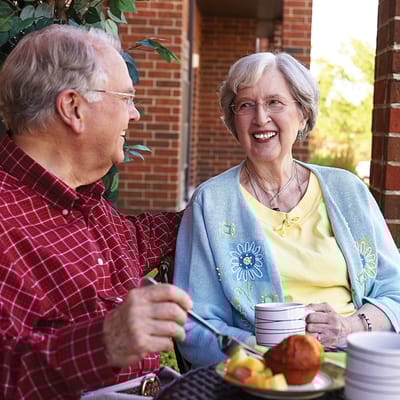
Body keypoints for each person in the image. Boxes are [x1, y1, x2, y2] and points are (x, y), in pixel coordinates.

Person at [0, 25, 192, 399]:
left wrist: (225, 201)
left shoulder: (89, 205)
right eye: (126, 98)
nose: (134, 115)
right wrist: (105, 342)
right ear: (73, 107)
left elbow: (144, 236)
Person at [173, 51, 400, 368]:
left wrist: (350, 327)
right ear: (233, 118)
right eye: (246, 105)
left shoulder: (348, 191)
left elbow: (395, 291)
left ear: (303, 114)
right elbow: (195, 324)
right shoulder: (212, 203)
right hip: (264, 376)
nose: (260, 118)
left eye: (275, 102)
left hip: (359, 366)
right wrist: (269, 359)